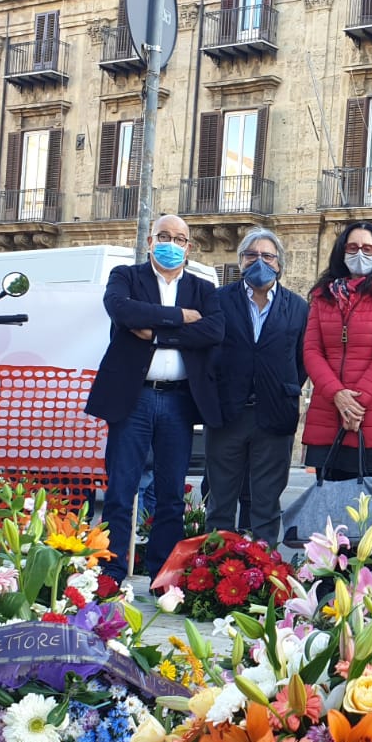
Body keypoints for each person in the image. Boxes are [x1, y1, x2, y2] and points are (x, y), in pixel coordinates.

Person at [85, 215, 225, 582]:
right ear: (150, 241)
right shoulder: (126, 277)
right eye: (164, 236)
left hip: (179, 402)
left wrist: (158, 334)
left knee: (171, 494)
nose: (171, 244)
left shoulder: (203, 288)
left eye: (179, 239)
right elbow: (122, 310)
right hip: (134, 398)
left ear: (188, 247)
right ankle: (111, 571)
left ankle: (163, 575)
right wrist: (181, 316)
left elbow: (213, 330)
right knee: (121, 490)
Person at [206, 227, 308, 544]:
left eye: (267, 256)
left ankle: (263, 567)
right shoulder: (218, 300)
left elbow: (301, 360)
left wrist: (278, 386)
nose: (259, 261)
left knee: (266, 504)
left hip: (275, 413)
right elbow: (207, 352)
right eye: (251, 255)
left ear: (279, 263)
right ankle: (216, 566)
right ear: (240, 261)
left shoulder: (298, 307)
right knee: (220, 502)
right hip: (227, 414)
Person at [301, 221, 372, 481]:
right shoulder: (322, 296)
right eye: (352, 247)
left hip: (369, 417)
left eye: (367, 248)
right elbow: (311, 351)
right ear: (342, 251)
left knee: (365, 501)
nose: (359, 253)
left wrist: (354, 406)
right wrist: (337, 394)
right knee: (328, 499)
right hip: (327, 413)